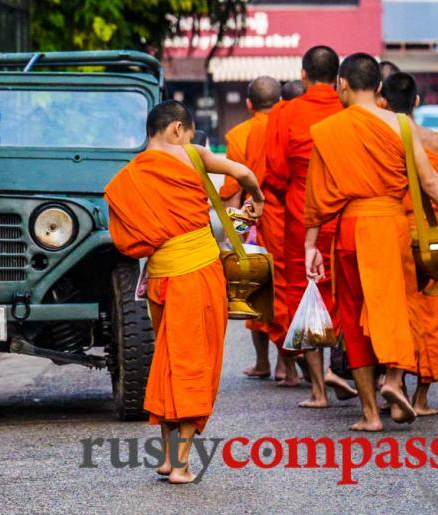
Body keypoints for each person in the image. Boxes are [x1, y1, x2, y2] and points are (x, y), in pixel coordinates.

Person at [304, 53, 438, 431]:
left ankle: (369, 415)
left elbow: (315, 197)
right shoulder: (400, 125)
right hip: (390, 227)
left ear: (342, 85)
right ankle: (395, 380)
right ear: (378, 88)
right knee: (396, 306)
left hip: (349, 228)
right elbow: (430, 181)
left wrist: (310, 246)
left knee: (352, 315)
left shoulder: (329, 129)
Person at [105, 100, 264, 483]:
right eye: (188, 134)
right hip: (196, 274)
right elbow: (243, 173)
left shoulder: (133, 172)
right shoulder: (190, 155)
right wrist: (256, 200)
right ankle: (181, 464)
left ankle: (165, 456)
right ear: (178, 129)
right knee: (194, 362)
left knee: (168, 361)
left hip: (159, 277)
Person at [264, 46, 356, 406]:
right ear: (338, 79)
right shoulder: (351, 111)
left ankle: (319, 389)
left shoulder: (287, 113)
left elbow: (275, 173)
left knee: (304, 294)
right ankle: (366, 376)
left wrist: (295, 192)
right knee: (350, 294)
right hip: (349, 213)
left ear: (303, 75)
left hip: (302, 217)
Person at [380, 71, 438, 415]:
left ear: (382, 102)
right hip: (437, 239)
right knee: (435, 311)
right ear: (416, 102)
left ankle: (396, 382)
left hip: (395, 232)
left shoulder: (381, 139)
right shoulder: (437, 141)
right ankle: (420, 400)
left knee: (401, 311)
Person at [218, 77, 298, 384]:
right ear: (280, 101)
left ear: (249, 104)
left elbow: (232, 190)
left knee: (259, 285)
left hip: (258, 217)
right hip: (289, 214)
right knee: (286, 285)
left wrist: (235, 232)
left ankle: (266, 362)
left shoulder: (240, 134)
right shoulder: (289, 127)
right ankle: (281, 362)